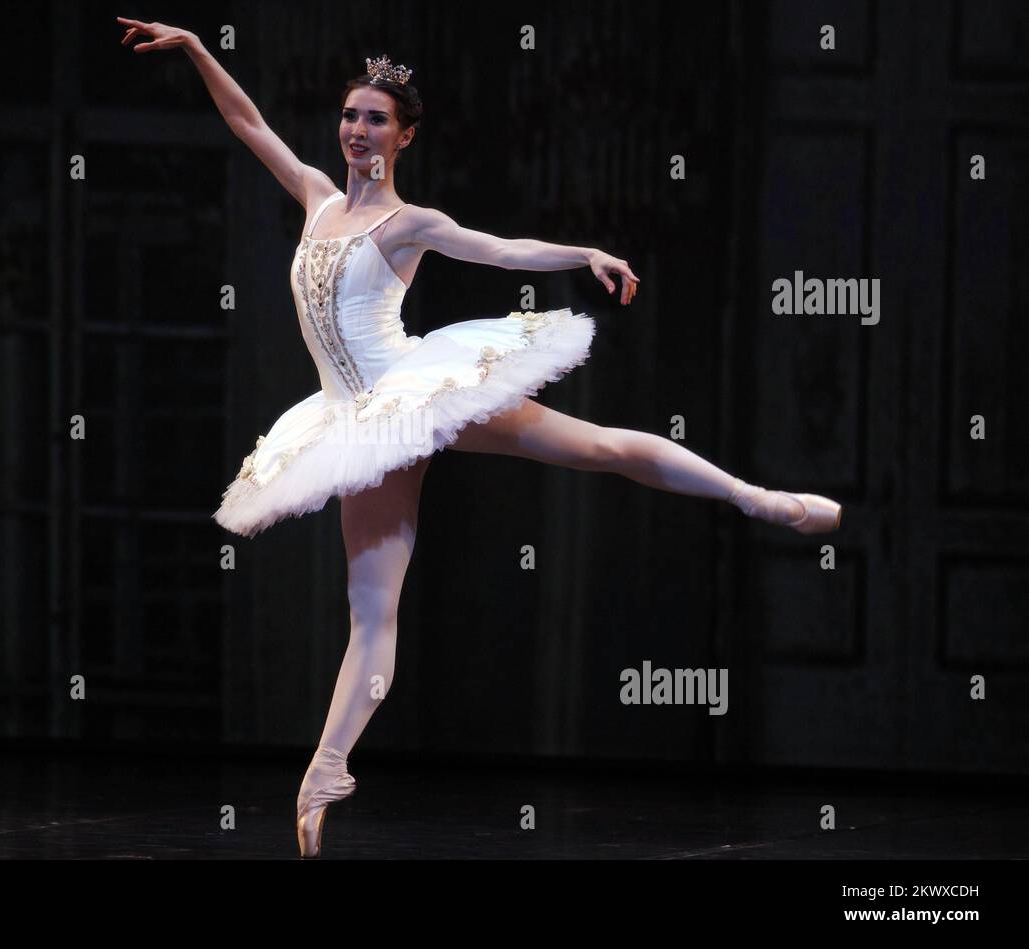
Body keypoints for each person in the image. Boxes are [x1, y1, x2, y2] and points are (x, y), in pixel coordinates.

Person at [117, 17, 842, 857]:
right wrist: (200, 48)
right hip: (354, 421)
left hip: (418, 389)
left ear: (405, 135)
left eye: (377, 119)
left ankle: (765, 500)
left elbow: (499, 251)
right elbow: (248, 122)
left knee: (598, 446)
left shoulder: (407, 222)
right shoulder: (316, 198)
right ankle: (325, 772)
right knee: (370, 609)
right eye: (351, 115)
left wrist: (584, 251)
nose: (358, 129)